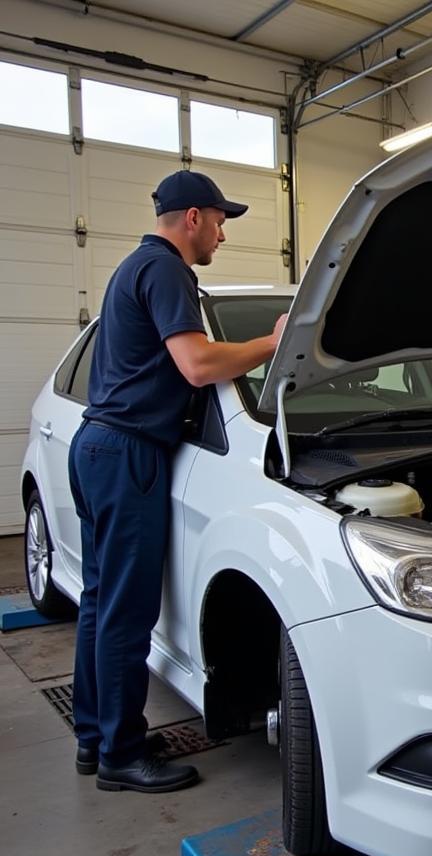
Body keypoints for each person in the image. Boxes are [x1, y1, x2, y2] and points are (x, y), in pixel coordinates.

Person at [70, 170, 286, 794]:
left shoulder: (134, 266)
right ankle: (121, 753)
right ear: (192, 217)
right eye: (220, 220)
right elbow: (196, 366)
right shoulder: (166, 271)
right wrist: (271, 345)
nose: (222, 233)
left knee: (100, 604)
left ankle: (97, 738)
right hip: (129, 452)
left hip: (101, 447)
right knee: (126, 612)